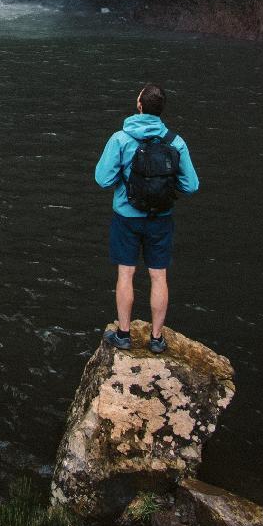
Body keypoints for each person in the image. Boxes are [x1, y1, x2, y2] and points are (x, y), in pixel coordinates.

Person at [92, 82, 200, 353]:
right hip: (161, 218)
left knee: (126, 274)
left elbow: (103, 179)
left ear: (139, 106)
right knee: (159, 276)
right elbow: (191, 185)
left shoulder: (120, 138)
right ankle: (156, 338)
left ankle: (124, 334)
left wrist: (124, 181)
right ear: (160, 111)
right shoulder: (176, 142)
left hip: (126, 217)